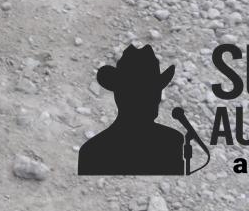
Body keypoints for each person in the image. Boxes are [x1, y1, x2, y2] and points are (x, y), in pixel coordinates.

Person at [78, 44, 192, 176]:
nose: (155, 98)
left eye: (155, 91)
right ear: (122, 97)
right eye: (145, 93)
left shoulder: (92, 150)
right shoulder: (171, 141)